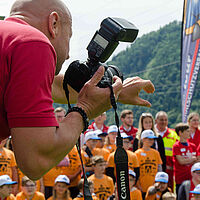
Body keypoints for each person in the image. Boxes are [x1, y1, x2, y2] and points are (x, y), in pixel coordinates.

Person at [0, 0, 155, 180]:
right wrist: (85, 109)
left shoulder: (9, 41)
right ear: (54, 23)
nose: (67, 55)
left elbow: (51, 86)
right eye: (69, 37)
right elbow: (35, 161)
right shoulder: (32, 42)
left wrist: (115, 92)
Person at [135, 130, 162, 199]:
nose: (151, 141)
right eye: (149, 139)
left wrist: (158, 183)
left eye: (152, 139)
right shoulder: (137, 153)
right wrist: (138, 185)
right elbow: (135, 171)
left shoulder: (156, 153)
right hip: (141, 186)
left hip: (153, 186)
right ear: (143, 139)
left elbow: (159, 169)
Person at [155, 111, 179, 190]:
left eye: (165, 120)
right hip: (154, 165)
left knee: (169, 189)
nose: (164, 122)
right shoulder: (152, 133)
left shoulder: (173, 134)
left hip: (170, 168)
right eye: (161, 120)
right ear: (156, 121)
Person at [173, 123, 197, 196]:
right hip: (180, 179)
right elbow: (181, 161)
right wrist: (192, 159)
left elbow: (197, 160)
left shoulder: (193, 146)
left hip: (192, 179)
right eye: (187, 131)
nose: (189, 133)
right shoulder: (176, 146)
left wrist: (190, 160)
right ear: (180, 133)